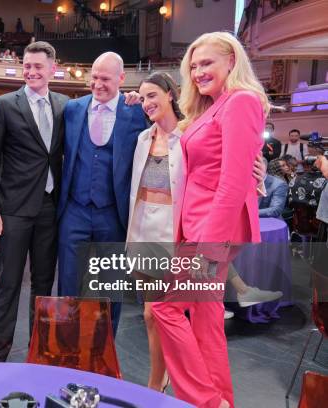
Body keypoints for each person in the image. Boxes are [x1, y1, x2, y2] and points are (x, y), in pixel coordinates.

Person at [131, 72, 280, 391]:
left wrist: (259, 173)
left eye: (153, 95)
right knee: (152, 314)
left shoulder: (190, 132)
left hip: (181, 234)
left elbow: (231, 164)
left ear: (170, 94)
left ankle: (163, 383)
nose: (147, 103)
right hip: (144, 233)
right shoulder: (143, 137)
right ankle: (196, 387)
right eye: (142, 98)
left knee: (163, 312)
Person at [0, 41, 69, 362]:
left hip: (49, 209)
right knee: (9, 285)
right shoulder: (4, 105)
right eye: (27, 66)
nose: (31, 72)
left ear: (52, 69)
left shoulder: (64, 104)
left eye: (38, 67)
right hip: (13, 212)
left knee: (45, 287)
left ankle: (39, 353)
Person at [57, 52, 146, 335]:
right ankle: (65, 340)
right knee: (68, 283)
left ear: (121, 79)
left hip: (113, 213)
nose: (97, 84)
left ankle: (106, 342)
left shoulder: (136, 112)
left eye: (105, 78)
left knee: (111, 284)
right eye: (93, 77)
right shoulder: (73, 109)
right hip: (74, 210)